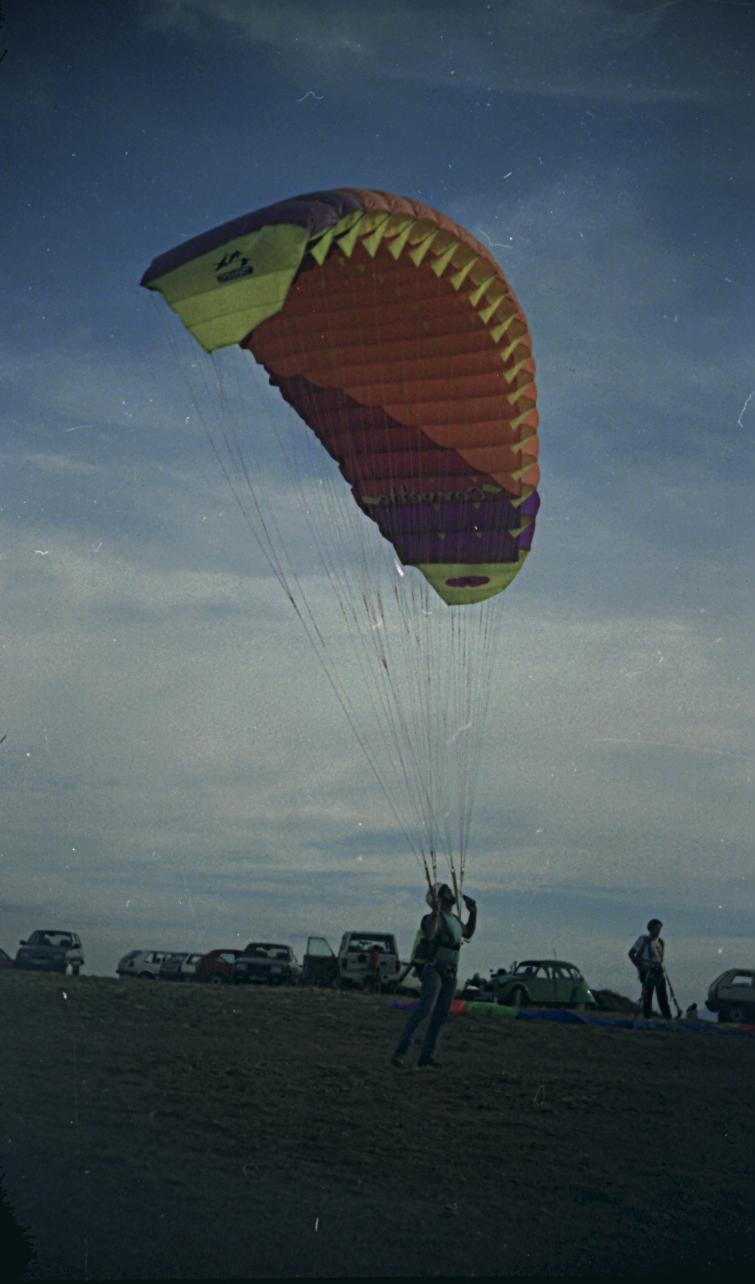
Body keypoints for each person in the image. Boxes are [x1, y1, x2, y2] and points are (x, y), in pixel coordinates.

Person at [391, 882, 477, 1069]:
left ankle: (426, 1057)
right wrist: (436, 913)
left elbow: (468, 933)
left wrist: (473, 912)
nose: (451, 893)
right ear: (438, 897)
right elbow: (430, 935)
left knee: (441, 1015)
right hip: (434, 968)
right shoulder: (430, 918)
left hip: (451, 971)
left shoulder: (455, 919)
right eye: (447, 891)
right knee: (425, 1009)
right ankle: (401, 1052)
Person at [628, 918, 672, 1019]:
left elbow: (660, 959)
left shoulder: (660, 942)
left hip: (658, 971)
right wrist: (640, 967)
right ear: (650, 929)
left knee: (663, 997)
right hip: (647, 972)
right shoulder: (643, 940)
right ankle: (647, 1019)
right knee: (647, 997)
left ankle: (668, 1019)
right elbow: (631, 953)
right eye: (656, 928)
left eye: (659, 929)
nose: (658, 931)